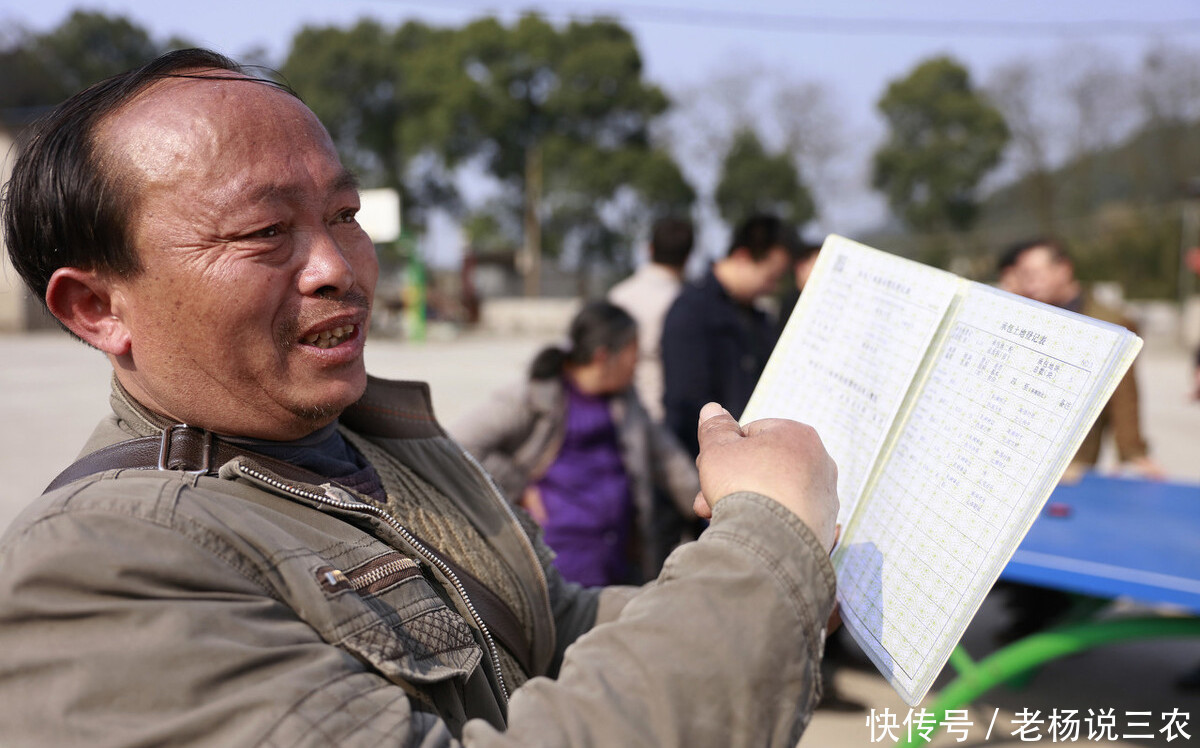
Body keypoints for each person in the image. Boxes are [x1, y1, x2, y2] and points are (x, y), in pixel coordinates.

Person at [0, 49, 841, 746]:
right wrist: (759, 552)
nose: (338, 267)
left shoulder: (387, 444)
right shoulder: (95, 571)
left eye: (344, 214)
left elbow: (551, 632)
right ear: (97, 307)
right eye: (265, 232)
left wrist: (783, 591)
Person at [453, 301, 698, 586]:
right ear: (603, 357)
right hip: (554, 567)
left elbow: (669, 461)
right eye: (634, 353)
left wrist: (713, 505)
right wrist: (518, 485)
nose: (637, 364)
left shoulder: (626, 402)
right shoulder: (535, 398)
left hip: (616, 565)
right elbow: (459, 443)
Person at [1007, 238, 1164, 479]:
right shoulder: (1025, 315)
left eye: (1035, 274)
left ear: (1064, 269)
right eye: (1023, 276)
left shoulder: (1109, 322)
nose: (1029, 283)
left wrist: (1132, 454)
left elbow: (1123, 396)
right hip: (1015, 452)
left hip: (1071, 463)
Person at [661, 213, 796, 457]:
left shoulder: (757, 316)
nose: (773, 288)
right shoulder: (691, 311)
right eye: (771, 278)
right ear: (742, 257)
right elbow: (685, 403)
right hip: (709, 459)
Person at [607, 216, 695, 422]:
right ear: (688, 256)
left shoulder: (619, 295)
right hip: (667, 413)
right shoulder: (689, 303)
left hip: (623, 412)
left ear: (650, 249)